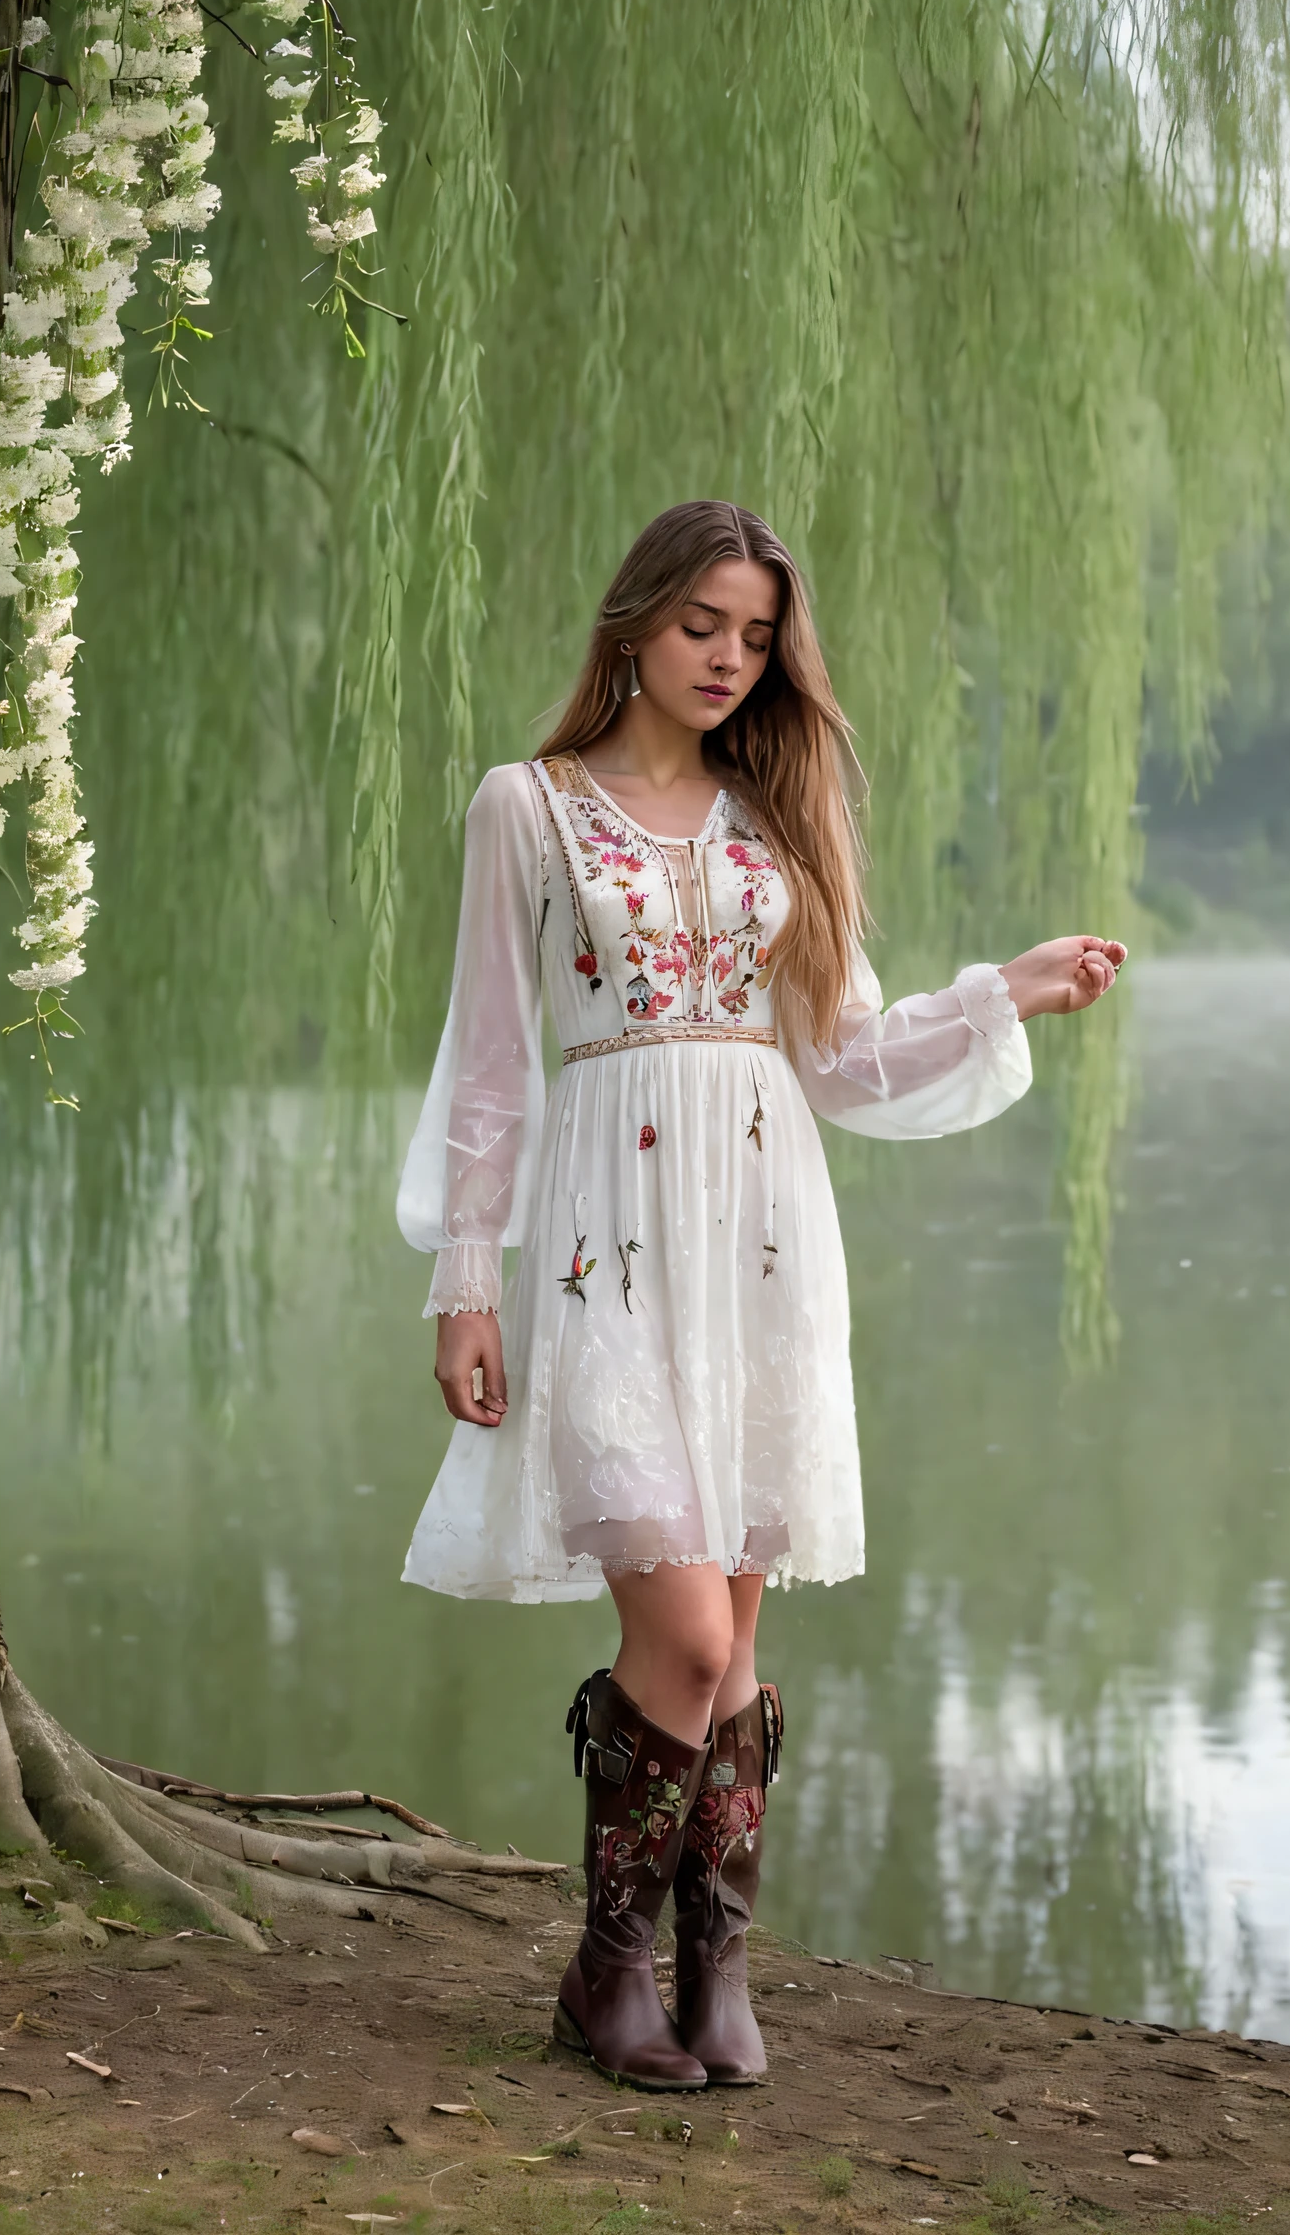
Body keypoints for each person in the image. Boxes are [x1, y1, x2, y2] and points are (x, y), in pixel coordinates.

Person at [397, 500, 1124, 2093]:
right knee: (685, 1640)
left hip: (764, 1246)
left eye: (754, 632)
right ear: (635, 625)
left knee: (729, 1647)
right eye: (701, 625)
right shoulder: (527, 808)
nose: (729, 657)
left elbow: (844, 1056)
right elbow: (493, 1067)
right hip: (603, 1243)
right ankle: (610, 1973)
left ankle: (713, 1979)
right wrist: (466, 1282)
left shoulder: (778, 816)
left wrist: (1003, 990)